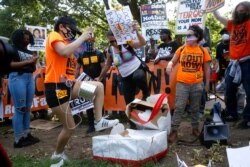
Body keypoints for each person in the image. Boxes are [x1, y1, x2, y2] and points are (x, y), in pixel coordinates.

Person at [44, 16, 119, 161]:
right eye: (72, 30)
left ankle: (98, 121)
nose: (73, 33)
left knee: (98, 87)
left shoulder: (69, 42)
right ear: (62, 27)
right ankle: (57, 155)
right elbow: (64, 52)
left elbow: (79, 52)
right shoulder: (54, 35)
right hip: (56, 88)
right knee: (70, 128)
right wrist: (82, 37)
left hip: (70, 86)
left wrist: (87, 39)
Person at [98, 21, 149, 128]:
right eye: (111, 42)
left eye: (115, 40)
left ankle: (146, 92)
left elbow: (142, 43)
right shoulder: (110, 50)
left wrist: (136, 31)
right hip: (125, 76)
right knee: (128, 103)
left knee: (138, 76)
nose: (114, 43)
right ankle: (132, 125)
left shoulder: (127, 42)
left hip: (137, 69)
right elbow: (107, 65)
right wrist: (100, 77)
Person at [166, 25, 211, 143]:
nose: (187, 37)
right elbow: (173, 60)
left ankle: (195, 128)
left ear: (197, 37)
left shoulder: (203, 51)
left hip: (197, 84)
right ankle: (174, 131)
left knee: (195, 108)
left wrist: (206, 84)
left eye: (190, 35)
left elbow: (207, 69)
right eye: (187, 35)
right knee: (179, 107)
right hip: (182, 83)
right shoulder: (181, 49)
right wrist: (170, 64)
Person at [213, 1, 250, 128]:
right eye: (238, 10)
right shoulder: (232, 24)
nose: (240, 12)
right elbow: (219, 17)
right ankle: (232, 113)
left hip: (247, 62)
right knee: (229, 89)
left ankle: (247, 118)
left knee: (249, 92)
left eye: (243, 10)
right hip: (234, 64)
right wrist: (213, 9)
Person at [8, 29, 40, 148]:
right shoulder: (11, 49)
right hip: (17, 78)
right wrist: (29, 61)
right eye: (24, 38)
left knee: (27, 109)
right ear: (18, 38)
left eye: (28, 38)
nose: (26, 40)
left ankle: (26, 135)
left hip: (29, 78)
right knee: (20, 109)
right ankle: (18, 139)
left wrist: (33, 61)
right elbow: (10, 65)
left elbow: (31, 67)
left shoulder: (30, 51)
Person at [75, 37, 105, 133]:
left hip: (98, 81)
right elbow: (77, 68)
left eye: (91, 41)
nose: (89, 43)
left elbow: (103, 67)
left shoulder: (99, 54)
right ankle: (91, 125)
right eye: (87, 41)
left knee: (99, 103)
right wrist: (76, 80)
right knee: (88, 104)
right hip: (86, 82)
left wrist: (100, 77)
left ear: (94, 42)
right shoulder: (81, 54)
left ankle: (100, 123)